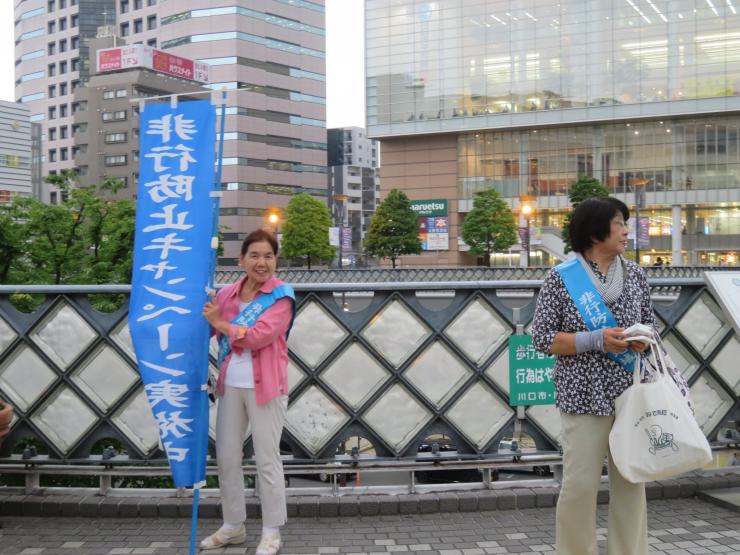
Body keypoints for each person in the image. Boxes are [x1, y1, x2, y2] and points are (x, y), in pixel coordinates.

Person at [531, 197, 655, 555]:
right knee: (580, 485)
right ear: (595, 231)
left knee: (632, 483)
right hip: (581, 395)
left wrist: (640, 341)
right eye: (619, 223)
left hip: (630, 394)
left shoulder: (636, 275)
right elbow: (542, 339)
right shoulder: (560, 278)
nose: (626, 231)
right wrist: (597, 339)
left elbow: (651, 327)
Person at [201, 229, 295, 554]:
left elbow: (259, 336)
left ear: (276, 260)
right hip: (230, 384)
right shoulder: (226, 294)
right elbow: (208, 326)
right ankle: (233, 525)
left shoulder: (282, 296)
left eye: (268, 256)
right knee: (227, 457)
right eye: (254, 255)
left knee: (267, 460)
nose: (262, 262)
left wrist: (223, 325)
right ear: (241, 259)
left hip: (267, 387)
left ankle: (271, 531)